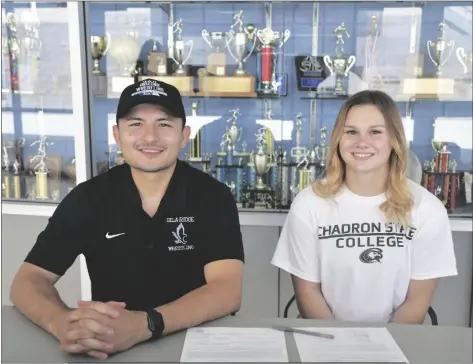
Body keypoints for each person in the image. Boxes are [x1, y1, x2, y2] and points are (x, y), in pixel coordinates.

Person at [10, 79, 245, 359]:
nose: (150, 137)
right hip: (110, 350)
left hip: (196, 346)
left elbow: (227, 290)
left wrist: (146, 324)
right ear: (117, 135)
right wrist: (61, 323)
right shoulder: (89, 198)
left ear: (184, 136)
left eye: (164, 124)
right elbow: (29, 280)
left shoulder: (212, 196)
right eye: (135, 124)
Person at [271, 90, 457, 324]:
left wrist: (383, 351)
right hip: (326, 344)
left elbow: (417, 302)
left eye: (375, 132)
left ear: (394, 140)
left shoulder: (426, 208)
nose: (362, 142)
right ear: (338, 139)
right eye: (351, 132)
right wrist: (339, 349)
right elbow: (307, 293)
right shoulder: (310, 203)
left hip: (398, 346)